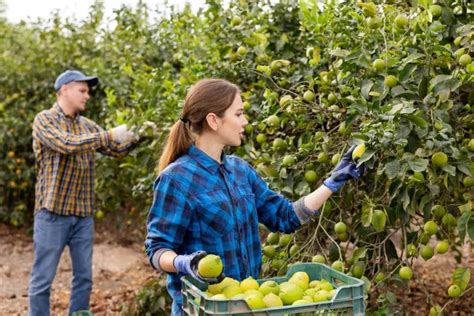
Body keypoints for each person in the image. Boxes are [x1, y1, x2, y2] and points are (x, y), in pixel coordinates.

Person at [145, 78, 365, 315]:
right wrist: (186, 263)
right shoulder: (177, 179)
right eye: (238, 114)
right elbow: (157, 249)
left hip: (247, 305)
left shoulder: (240, 170)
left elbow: (285, 216)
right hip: (203, 309)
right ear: (213, 120)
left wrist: (332, 182)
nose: (245, 121)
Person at [29, 70, 140, 316]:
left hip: (82, 215)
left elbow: (115, 149)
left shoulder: (87, 126)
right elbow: (66, 144)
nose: (87, 96)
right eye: (83, 90)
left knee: (84, 278)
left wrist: (137, 134)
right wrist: (109, 134)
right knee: (42, 280)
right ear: (65, 89)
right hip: (52, 214)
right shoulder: (44, 120)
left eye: (87, 91)